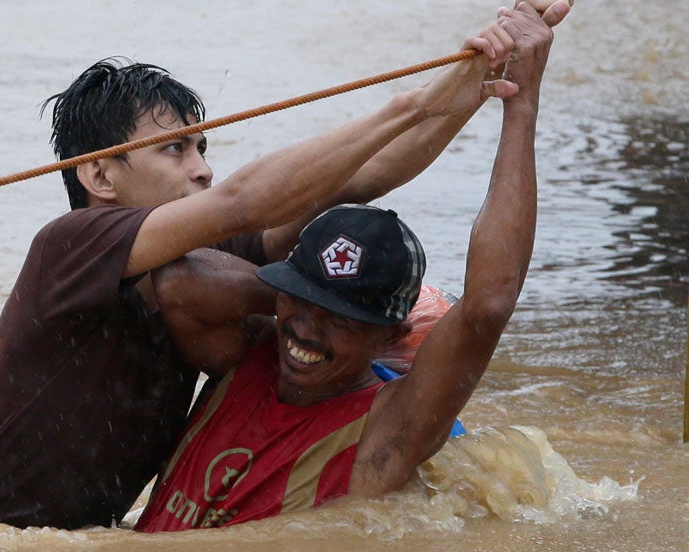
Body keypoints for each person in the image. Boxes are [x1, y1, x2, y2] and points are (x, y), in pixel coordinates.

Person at [0, 1, 562, 532]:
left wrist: (487, 82)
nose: (203, 168)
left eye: (203, 146)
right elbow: (245, 200)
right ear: (98, 174)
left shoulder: (197, 258)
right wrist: (419, 100)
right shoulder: (71, 244)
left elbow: (365, 178)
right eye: (176, 151)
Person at [135, 1, 567, 532]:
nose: (307, 331)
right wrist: (284, 303)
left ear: (392, 336)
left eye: (341, 318)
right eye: (304, 300)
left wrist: (520, 107)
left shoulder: (386, 433)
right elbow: (177, 280)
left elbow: (487, 307)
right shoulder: (248, 355)